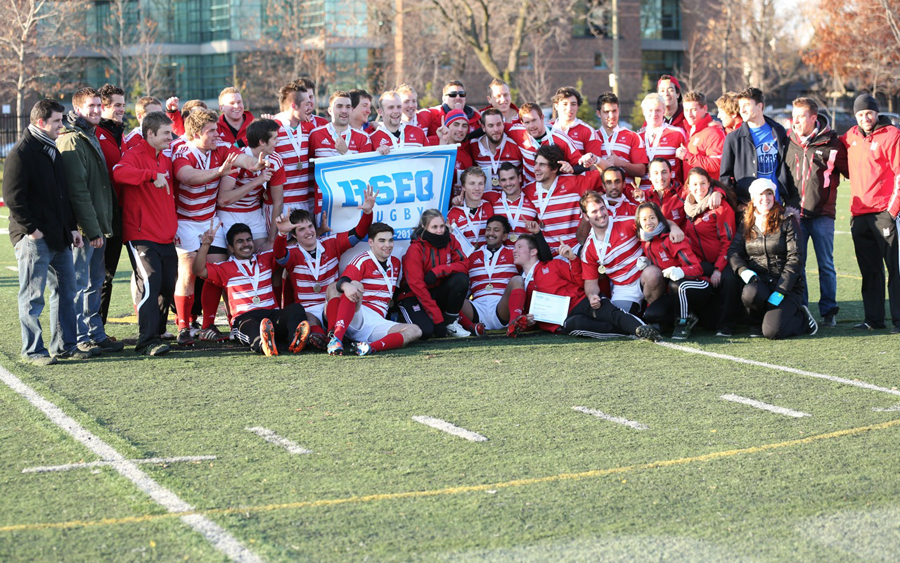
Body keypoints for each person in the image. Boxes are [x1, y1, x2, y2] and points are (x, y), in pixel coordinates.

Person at [3, 99, 91, 365]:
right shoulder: (21, 152)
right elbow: (13, 198)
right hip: (35, 238)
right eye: (56, 121)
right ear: (41, 122)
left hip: (59, 236)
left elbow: (61, 197)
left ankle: (64, 346)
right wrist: (32, 231)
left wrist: (71, 228)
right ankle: (33, 351)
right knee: (32, 297)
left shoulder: (51, 148)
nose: (61, 125)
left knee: (67, 291)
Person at [171, 108, 265, 344]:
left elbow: (240, 158)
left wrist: (253, 165)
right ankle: (183, 327)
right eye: (210, 131)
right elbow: (186, 176)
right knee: (188, 272)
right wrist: (218, 172)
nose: (216, 134)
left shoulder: (220, 147)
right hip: (185, 221)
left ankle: (208, 325)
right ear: (195, 133)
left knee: (217, 272)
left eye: (216, 129)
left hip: (209, 220)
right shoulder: (182, 150)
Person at [57, 87, 125, 355]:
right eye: (91, 106)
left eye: (99, 105)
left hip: (96, 224)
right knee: (80, 283)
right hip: (85, 228)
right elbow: (78, 191)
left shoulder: (90, 134)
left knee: (95, 281)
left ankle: (94, 333)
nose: (96, 110)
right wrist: (92, 228)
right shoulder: (73, 139)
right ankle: (80, 337)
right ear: (77, 110)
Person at [112, 112, 178, 356]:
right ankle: (146, 340)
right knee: (150, 284)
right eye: (165, 134)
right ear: (150, 134)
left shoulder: (165, 157)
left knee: (167, 285)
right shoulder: (134, 154)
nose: (170, 138)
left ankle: (157, 333)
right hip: (141, 235)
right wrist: (150, 176)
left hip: (166, 235)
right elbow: (118, 173)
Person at [274, 186, 376, 343]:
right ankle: (319, 337)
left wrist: (367, 213)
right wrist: (281, 234)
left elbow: (359, 233)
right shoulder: (293, 253)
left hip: (330, 305)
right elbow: (279, 255)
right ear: (293, 234)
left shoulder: (332, 243)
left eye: (310, 226)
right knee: (306, 317)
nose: (309, 232)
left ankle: (332, 335)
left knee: (334, 288)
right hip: (307, 311)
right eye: (301, 229)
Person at [513, 232, 660, 340]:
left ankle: (641, 328)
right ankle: (632, 332)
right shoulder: (522, 286)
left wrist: (572, 259)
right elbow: (528, 319)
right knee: (578, 325)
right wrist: (529, 320)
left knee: (611, 313)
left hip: (583, 301)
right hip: (566, 320)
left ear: (533, 251)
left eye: (519, 247)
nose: (514, 250)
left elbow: (579, 281)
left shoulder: (554, 265)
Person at [193, 221, 311, 356]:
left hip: (271, 314)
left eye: (249, 240)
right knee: (252, 327)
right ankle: (263, 344)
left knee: (296, 309)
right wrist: (206, 245)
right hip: (245, 318)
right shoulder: (224, 267)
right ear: (231, 248)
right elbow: (198, 270)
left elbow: (280, 252)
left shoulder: (265, 258)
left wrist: (282, 234)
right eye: (240, 241)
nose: (246, 244)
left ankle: (295, 341)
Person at [727, 179, 818, 339]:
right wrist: (744, 271)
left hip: (787, 287)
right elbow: (734, 251)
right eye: (761, 194)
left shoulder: (787, 220)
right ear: (753, 199)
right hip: (760, 283)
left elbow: (795, 259)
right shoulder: (746, 222)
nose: (765, 198)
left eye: (769, 193)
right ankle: (756, 322)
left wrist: (781, 290)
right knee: (750, 293)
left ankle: (803, 318)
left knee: (773, 332)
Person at [786, 96, 848, 327]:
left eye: (801, 116)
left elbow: (852, 170)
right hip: (795, 214)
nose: (796, 120)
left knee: (826, 264)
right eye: (794, 115)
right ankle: (802, 308)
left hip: (822, 214)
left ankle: (828, 311)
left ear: (814, 118)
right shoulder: (787, 140)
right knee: (797, 264)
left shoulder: (833, 143)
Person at [841, 93, 900, 332]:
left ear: (876, 113)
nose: (865, 118)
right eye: (860, 114)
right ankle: (873, 319)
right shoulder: (850, 137)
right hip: (859, 214)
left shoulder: (892, 135)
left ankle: (898, 319)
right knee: (870, 271)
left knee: (895, 269)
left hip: (884, 213)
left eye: (869, 113)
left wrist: (892, 211)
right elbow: (840, 161)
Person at [325, 223, 422, 356]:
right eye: (382, 241)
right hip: (357, 315)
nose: (387, 245)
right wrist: (346, 286)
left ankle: (368, 347)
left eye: (390, 240)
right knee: (354, 285)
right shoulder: (363, 259)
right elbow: (343, 282)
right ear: (370, 242)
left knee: (415, 330)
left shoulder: (395, 263)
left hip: (377, 322)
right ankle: (336, 337)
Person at [637, 201, 710, 340]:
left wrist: (681, 271)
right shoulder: (647, 241)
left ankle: (683, 322)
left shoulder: (673, 238)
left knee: (677, 285)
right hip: (673, 292)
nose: (649, 222)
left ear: (659, 218)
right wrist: (648, 262)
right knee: (652, 314)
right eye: (644, 219)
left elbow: (698, 268)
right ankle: (660, 325)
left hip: (697, 283)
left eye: (652, 217)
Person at [397, 209, 472, 339]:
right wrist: (437, 320)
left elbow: (464, 264)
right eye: (434, 227)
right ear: (424, 227)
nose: (440, 231)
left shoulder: (451, 240)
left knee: (461, 279)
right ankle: (403, 317)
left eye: (442, 226)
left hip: (436, 293)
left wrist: (437, 271)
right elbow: (418, 287)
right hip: (414, 296)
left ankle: (450, 323)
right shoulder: (415, 249)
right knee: (426, 332)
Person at [720, 87, 797, 210]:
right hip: (748, 208)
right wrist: (736, 203)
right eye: (740, 106)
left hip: (775, 205)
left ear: (759, 106)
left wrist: (786, 199)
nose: (742, 110)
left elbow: (786, 167)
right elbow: (725, 177)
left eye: (746, 105)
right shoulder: (733, 138)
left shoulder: (778, 131)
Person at [681, 167, 737, 333]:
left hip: (723, 261)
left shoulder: (720, 205)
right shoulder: (688, 207)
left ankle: (728, 324)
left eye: (703, 183)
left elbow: (729, 241)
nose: (699, 188)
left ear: (709, 183)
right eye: (695, 184)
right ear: (689, 187)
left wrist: (718, 269)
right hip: (702, 263)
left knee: (730, 280)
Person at [523, 144, 603, 254]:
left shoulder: (574, 182)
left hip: (575, 250)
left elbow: (609, 173)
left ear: (555, 168)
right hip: (547, 255)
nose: (536, 168)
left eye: (541, 165)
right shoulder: (528, 190)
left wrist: (595, 160)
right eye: (536, 163)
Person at [460, 215, 528, 336]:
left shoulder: (513, 253)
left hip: (501, 307)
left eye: (496, 230)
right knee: (451, 292)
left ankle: (514, 322)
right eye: (488, 229)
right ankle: (472, 327)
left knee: (518, 279)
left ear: (505, 236)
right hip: (476, 308)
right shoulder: (471, 256)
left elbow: (530, 269)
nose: (490, 233)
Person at [579, 191, 644, 313]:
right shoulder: (588, 249)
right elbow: (590, 282)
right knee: (618, 319)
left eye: (602, 208)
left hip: (644, 277)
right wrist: (592, 295)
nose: (600, 214)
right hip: (623, 289)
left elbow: (659, 222)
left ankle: (654, 315)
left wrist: (673, 228)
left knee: (652, 274)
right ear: (586, 216)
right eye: (594, 212)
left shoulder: (628, 223)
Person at [96, 84, 127, 326]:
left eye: (123, 105)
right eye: (117, 105)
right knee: (95, 277)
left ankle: (100, 330)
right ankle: (89, 330)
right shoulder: (94, 133)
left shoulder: (121, 135)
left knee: (108, 276)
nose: (121, 110)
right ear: (103, 106)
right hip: (97, 214)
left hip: (118, 214)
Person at [507, 102, 584, 184]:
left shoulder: (562, 139)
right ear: (522, 123)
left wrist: (571, 169)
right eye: (527, 122)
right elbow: (496, 126)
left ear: (542, 117)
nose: (531, 126)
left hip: (555, 191)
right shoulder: (518, 132)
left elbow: (582, 166)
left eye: (534, 120)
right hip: (530, 192)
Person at [272, 80, 314, 217]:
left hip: (305, 202)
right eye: (306, 104)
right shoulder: (271, 128)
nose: (310, 107)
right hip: (279, 205)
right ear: (294, 106)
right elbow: (239, 147)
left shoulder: (309, 128)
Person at [592, 92, 648, 181]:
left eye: (614, 111)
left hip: (626, 193)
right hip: (600, 193)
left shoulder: (632, 136)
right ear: (598, 113)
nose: (611, 116)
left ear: (619, 110)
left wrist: (621, 163)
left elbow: (641, 171)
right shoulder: (592, 137)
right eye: (606, 112)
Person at [638, 93, 686, 190]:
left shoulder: (677, 133)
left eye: (658, 110)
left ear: (664, 111)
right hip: (646, 193)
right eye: (650, 110)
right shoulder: (638, 137)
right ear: (643, 112)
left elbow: (686, 165)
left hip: (672, 193)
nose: (654, 114)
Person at [483, 162, 538, 243]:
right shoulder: (491, 197)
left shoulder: (532, 199)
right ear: (499, 182)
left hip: (525, 254)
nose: (508, 184)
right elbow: (471, 196)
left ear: (519, 178)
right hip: (500, 254)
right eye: (503, 180)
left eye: (511, 178)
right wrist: (459, 199)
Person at [675, 91, 725, 179]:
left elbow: (716, 164)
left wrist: (687, 156)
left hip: (707, 190)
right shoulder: (687, 130)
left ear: (705, 109)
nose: (689, 115)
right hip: (689, 190)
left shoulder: (714, 132)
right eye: (686, 110)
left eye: (693, 110)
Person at [469, 108, 522, 190]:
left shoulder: (516, 145)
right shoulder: (474, 145)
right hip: (487, 198)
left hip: (512, 199)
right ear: (483, 127)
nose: (496, 129)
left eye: (498, 124)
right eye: (491, 126)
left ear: (503, 124)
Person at [447, 167, 494, 249]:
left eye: (480, 183)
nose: (477, 188)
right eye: (472, 183)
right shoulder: (453, 213)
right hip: (464, 260)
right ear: (463, 187)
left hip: (487, 259)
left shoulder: (489, 207)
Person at [550, 86, 596, 153]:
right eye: (565, 104)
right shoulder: (548, 128)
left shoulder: (588, 131)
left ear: (578, 106)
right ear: (556, 106)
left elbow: (595, 162)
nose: (569, 108)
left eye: (573, 104)